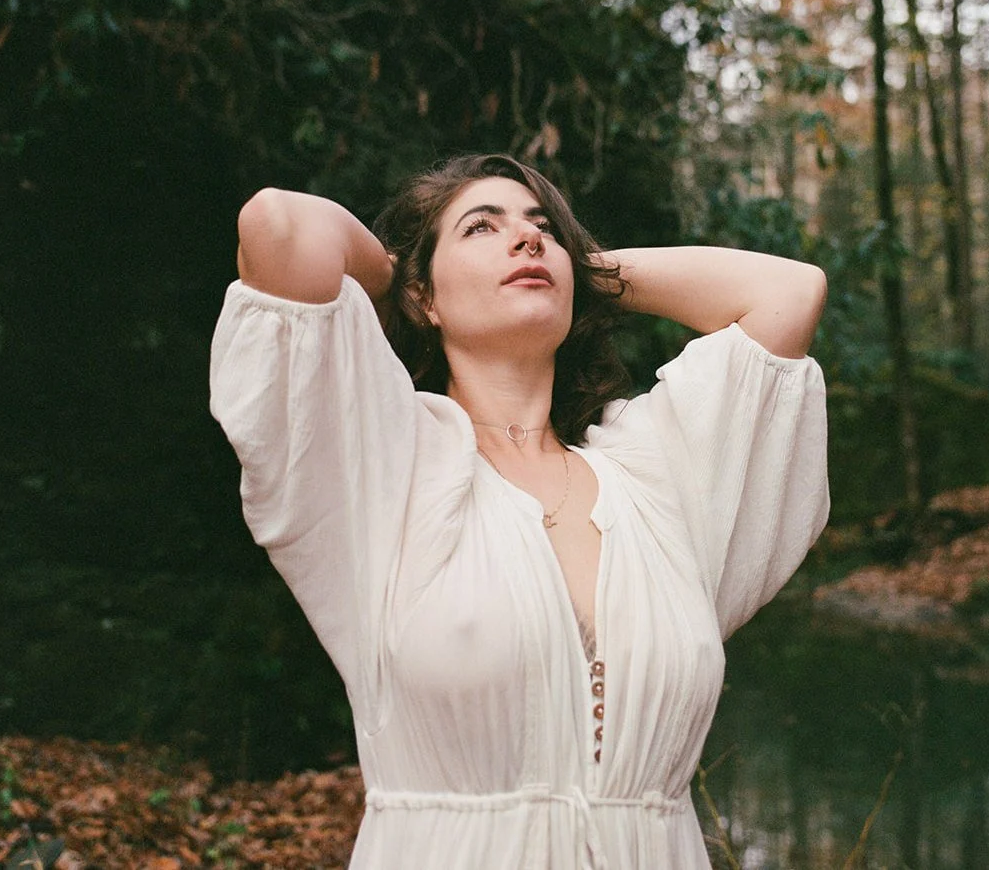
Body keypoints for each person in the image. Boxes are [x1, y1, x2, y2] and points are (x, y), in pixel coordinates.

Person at [208, 153, 829, 870]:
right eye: (482, 227)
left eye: (544, 230)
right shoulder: (381, 467)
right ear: (424, 298)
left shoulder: (656, 478)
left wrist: (580, 272)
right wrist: (397, 276)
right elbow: (280, 227)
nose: (529, 240)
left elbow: (789, 292)